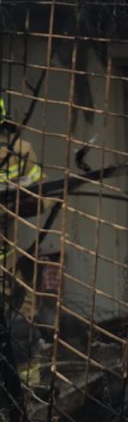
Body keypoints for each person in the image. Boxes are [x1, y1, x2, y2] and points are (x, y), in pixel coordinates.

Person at [0, 95, 44, 367]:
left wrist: (15, 202)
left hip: (6, 261)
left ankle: (24, 391)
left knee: (19, 328)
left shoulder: (21, 150)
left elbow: (39, 195)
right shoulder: (20, 148)